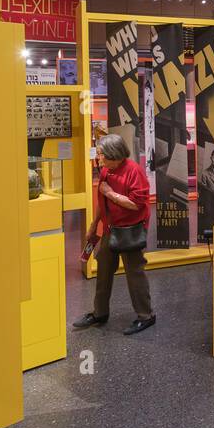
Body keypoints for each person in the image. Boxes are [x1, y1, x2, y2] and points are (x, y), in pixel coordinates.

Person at [73, 133, 155, 335]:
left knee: (134, 273)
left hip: (131, 230)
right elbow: (103, 201)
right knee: (103, 270)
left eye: (102, 155)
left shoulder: (134, 172)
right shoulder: (106, 171)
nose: (99, 159)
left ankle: (146, 316)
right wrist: (94, 226)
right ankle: (100, 312)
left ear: (115, 155)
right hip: (111, 229)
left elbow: (137, 204)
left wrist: (110, 193)